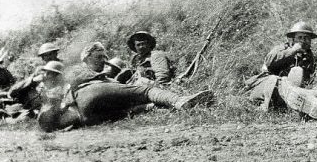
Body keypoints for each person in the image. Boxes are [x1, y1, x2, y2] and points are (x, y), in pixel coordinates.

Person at [37, 42, 213, 132]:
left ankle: (157, 107)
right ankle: (180, 101)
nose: (103, 61)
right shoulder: (78, 69)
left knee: (127, 110)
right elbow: (92, 81)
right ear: (86, 57)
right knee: (146, 91)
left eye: (104, 57)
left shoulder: (74, 71)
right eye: (99, 57)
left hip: (85, 116)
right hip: (89, 92)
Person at [261, 21, 317, 87]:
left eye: (306, 38)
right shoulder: (282, 49)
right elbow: (268, 62)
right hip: (275, 87)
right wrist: (293, 50)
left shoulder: (312, 58)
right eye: (300, 37)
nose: (303, 40)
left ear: (310, 40)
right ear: (293, 39)